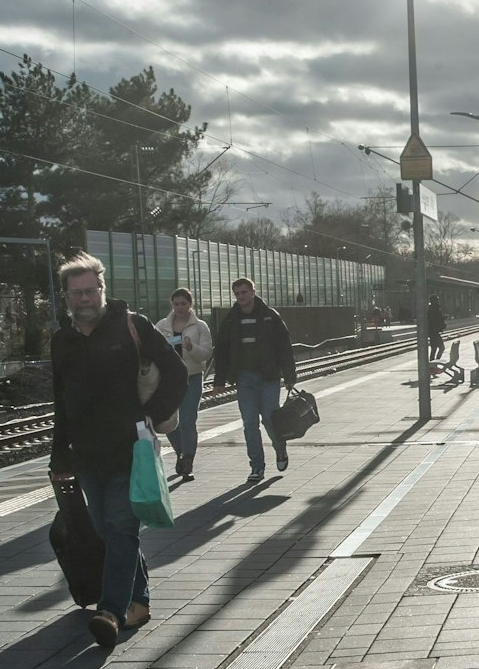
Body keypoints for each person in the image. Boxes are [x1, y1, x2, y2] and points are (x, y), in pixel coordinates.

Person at [49, 253, 185, 648]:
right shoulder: (62, 341)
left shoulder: (131, 326)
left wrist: (150, 415)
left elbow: (176, 372)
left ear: (102, 290)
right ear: (66, 297)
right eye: (77, 293)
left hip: (130, 450)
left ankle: (110, 611)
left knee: (123, 527)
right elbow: (60, 401)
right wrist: (59, 456)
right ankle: (138, 601)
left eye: (91, 290)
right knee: (107, 530)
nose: (85, 298)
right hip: (86, 454)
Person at [214, 277, 297, 481]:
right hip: (244, 378)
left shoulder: (270, 316)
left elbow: (284, 347)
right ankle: (257, 467)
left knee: (269, 418)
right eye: (237, 293)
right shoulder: (231, 319)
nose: (241, 296)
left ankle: (280, 449)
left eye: (244, 292)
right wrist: (219, 380)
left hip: (268, 377)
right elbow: (222, 350)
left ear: (253, 292)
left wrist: (289, 375)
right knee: (250, 423)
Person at [155, 288, 214, 479]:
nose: (180, 307)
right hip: (169, 379)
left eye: (184, 303)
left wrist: (191, 347)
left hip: (192, 377)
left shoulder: (200, 326)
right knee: (168, 421)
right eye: (176, 304)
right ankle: (181, 452)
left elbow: (206, 353)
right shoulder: (161, 326)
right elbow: (153, 350)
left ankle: (187, 460)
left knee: (188, 421)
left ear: (190, 304)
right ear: (172, 305)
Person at [425, 297, 446, 362]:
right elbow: (434, 320)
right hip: (434, 332)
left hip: (433, 332)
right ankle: (434, 362)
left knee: (434, 349)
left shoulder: (432, 308)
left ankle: (433, 362)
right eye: (437, 300)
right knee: (440, 348)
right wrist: (442, 319)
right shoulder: (434, 309)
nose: (438, 301)